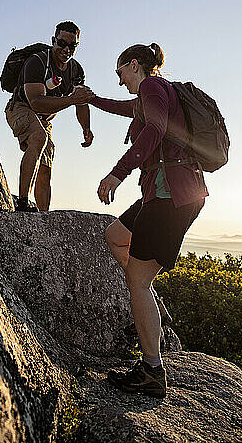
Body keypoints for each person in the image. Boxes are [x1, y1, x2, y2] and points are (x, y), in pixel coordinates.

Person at [89, 43, 208, 398]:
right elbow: (122, 107)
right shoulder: (151, 93)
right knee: (115, 236)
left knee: (137, 282)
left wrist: (116, 173)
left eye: (120, 72)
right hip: (162, 193)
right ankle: (147, 301)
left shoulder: (152, 88)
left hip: (171, 196)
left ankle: (153, 371)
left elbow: (154, 129)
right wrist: (90, 99)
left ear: (135, 65)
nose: (119, 79)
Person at [5, 21, 94, 212]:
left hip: (44, 120)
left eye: (72, 46)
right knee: (39, 138)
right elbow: (36, 101)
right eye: (62, 43)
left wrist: (86, 128)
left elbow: (80, 102)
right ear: (54, 40)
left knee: (45, 166)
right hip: (20, 108)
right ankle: (22, 203)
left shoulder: (76, 70)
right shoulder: (37, 62)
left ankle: (44, 218)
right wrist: (71, 99)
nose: (66, 49)